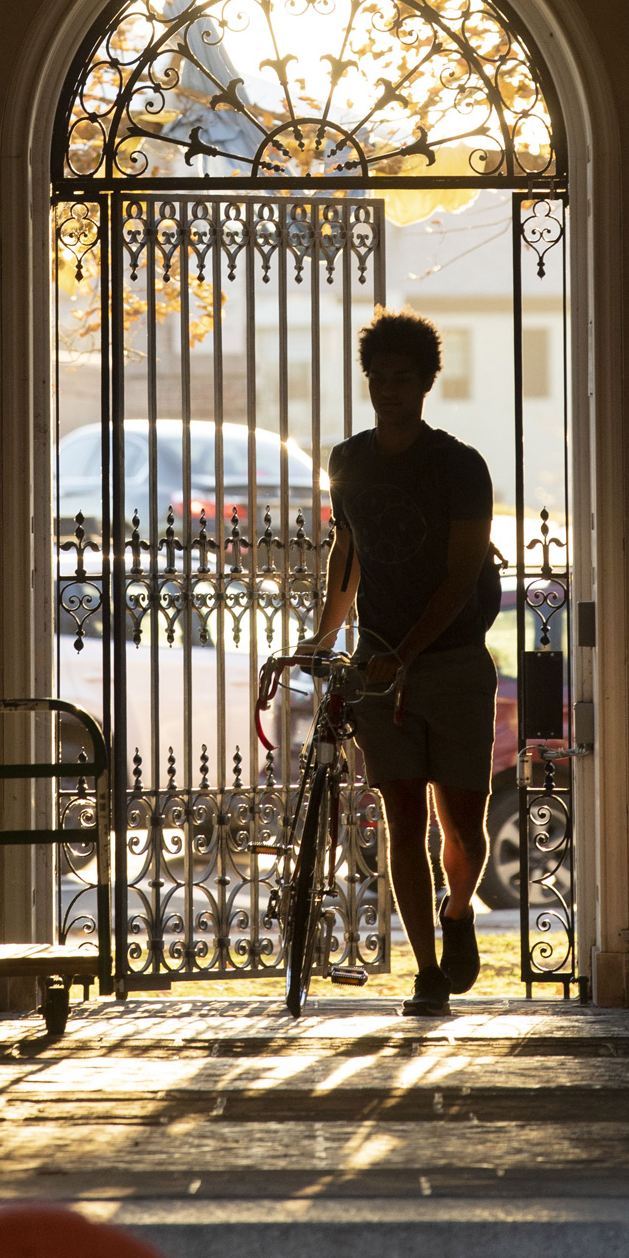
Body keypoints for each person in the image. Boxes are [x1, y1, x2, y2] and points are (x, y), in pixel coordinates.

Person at [266, 309, 499, 1016]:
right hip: (376, 670)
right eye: (378, 378)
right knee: (403, 819)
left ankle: (458, 909)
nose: (388, 390)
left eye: (402, 378)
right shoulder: (348, 460)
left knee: (461, 823)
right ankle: (427, 972)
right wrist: (325, 634)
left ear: (428, 383)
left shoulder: (459, 466)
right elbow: (350, 550)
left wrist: (401, 652)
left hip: (452, 663)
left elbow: (460, 576)